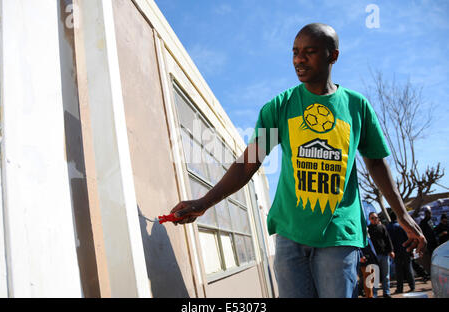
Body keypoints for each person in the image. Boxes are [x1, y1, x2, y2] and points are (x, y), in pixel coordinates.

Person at [168, 23, 427, 298]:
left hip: (338, 232)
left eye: (309, 52)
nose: (298, 60)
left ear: (333, 56)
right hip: (290, 234)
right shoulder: (280, 107)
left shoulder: (356, 106)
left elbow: (375, 163)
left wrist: (402, 214)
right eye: (295, 52)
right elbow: (249, 162)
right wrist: (204, 202)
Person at [386, 210, 415, 294]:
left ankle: (400, 288)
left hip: (395, 252)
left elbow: (388, 241)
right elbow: (408, 238)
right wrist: (411, 250)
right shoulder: (402, 226)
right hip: (405, 250)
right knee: (409, 268)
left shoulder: (388, 227)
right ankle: (412, 286)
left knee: (399, 271)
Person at [368, 212, 395, 298]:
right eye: (372, 218)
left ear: (378, 218)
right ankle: (374, 294)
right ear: (369, 219)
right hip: (374, 256)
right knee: (375, 276)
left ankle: (386, 292)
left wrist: (391, 250)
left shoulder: (382, 227)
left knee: (386, 275)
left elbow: (388, 239)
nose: (374, 219)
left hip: (384, 254)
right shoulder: (368, 229)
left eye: (376, 217)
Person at [419, 207, 438, 273]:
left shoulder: (431, 221)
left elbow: (434, 229)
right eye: (428, 213)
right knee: (430, 256)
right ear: (426, 214)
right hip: (428, 242)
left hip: (435, 241)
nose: (430, 214)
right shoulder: (423, 222)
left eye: (430, 213)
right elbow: (422, 232)